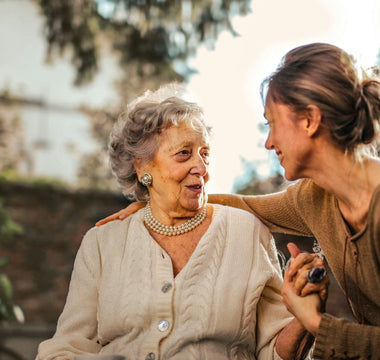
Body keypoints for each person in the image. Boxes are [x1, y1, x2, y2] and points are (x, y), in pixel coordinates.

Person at [97, 43, 380, 359]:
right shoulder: (314, 199)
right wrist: (161, 200)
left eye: (272, 123)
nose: (269, 142)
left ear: (310, 120)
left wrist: (315, 322)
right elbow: (247, 205)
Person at [36, 85, 318, 360]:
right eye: (184, 153)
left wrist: (305, 318)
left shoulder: (247, 232)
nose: (202, 168)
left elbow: (274, 351)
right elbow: (67, 348)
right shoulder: (102, 243)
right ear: (142, 166)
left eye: (204, 154)